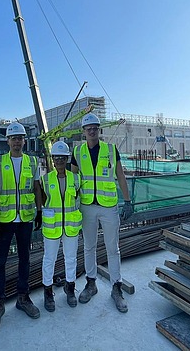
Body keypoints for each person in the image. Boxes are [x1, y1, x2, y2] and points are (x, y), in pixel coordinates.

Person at [71, 113, 133, 313]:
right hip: (87, 206)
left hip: (108, 207)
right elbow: (72, 180)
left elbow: (120, 176)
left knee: (112, 248)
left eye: (95, 127)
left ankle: (116, 288)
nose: (91, 130)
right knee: (89, 247)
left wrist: (128, 200)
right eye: (88, 128)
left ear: (99, 129)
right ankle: (91, 283)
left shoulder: (110, 150)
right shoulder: (78, 151)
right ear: (83, 131)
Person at [0, 121, 42, 331]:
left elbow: (37, 189)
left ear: (24, 141)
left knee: (24, 260)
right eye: (14, 138)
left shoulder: (32, 161)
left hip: (25, 220)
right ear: (8, 140)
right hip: (4, 219)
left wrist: (38, 212)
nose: (17, 142)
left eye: (20, 138)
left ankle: (23, 297)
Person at [41, 141, 82, 312]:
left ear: (67, 159)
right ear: (52, 159)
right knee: (49, 260)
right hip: (52, 228)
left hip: (71, 226)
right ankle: (48, 292)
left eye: (62, 157)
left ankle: (70, 288)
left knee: (71, 259)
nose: (59, 160)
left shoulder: (75, 179)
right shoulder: (45, 179)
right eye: (56, 157)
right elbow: (42, 201)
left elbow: (79, 200)